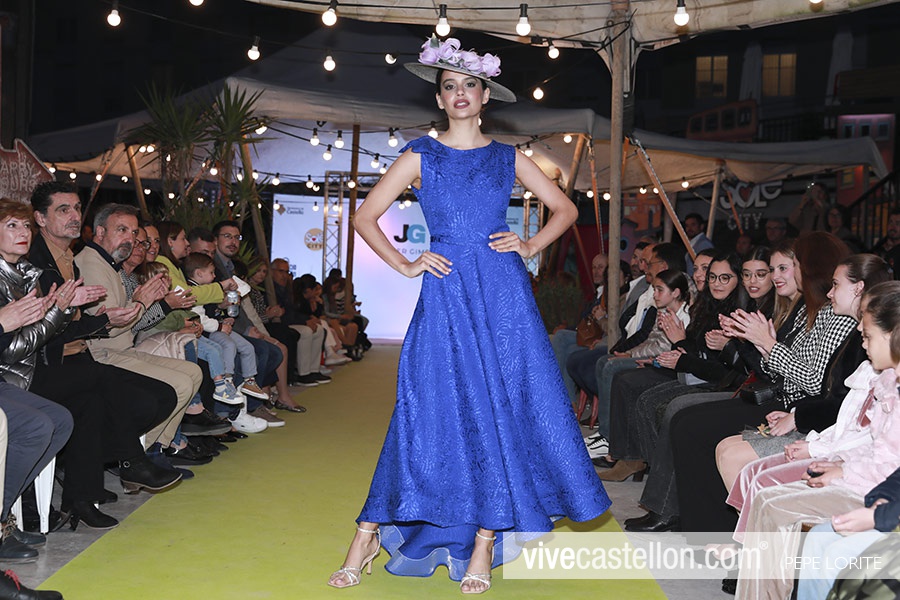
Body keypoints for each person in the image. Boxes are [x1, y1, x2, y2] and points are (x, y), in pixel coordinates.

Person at [327, 36, 610, 593]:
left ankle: (485, 537)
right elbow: (364, 217)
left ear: (485, 97)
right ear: (440, 98)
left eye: (470, 85)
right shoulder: (421, 154)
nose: (460, 93)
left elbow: (565, 208)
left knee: (500, 408)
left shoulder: (508, 157)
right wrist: (406, 263)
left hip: (503, 297)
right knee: (424, 405)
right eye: (450, 86)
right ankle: (368, 531)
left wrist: (529, 246)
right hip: (446, 292)